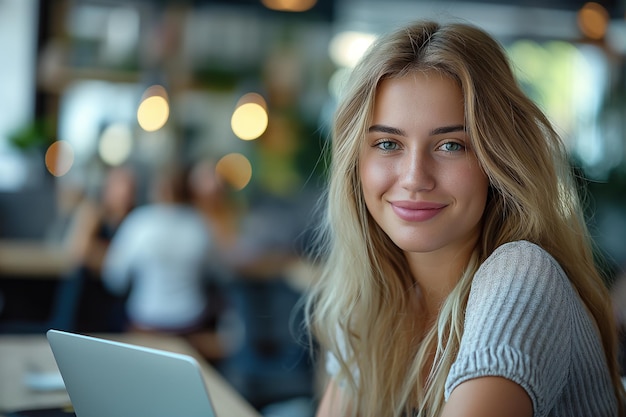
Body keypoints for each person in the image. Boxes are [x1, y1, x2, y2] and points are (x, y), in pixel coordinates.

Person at [304, 20, 626, 417]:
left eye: (451, 145)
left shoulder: (522, 277)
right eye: (388, 143)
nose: (415, 178)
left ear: (498, 160)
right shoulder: (375, 295)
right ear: (356, 161)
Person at [101, 163, 222, 358]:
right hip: (190, 324)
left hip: (146, 324)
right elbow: (216, 270)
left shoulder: (139, 223)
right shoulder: (201, 225)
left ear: (154, 190)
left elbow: (114, 279)